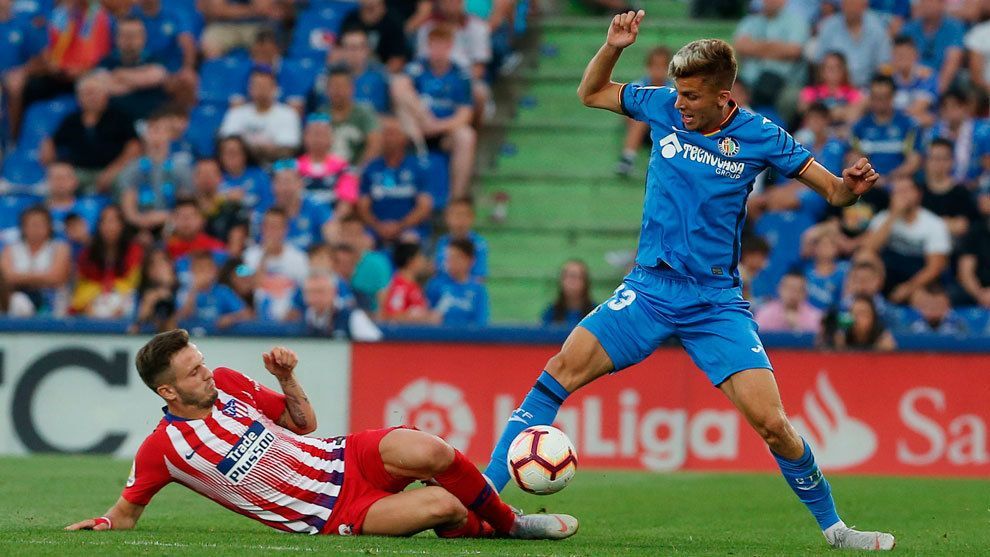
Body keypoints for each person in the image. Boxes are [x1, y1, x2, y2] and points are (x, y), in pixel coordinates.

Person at [484, 12, 895, 551]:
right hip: (649, 290)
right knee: (558, 371)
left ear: (724, 96)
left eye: (692, 97)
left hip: (714, 303)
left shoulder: (761, 134)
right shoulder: (660, 103)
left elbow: (835, 195)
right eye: (678, 93)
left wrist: (852, 185)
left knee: (773, 424)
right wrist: (612, 46)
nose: (680, 104)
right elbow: (590, 93)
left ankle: (837, 531)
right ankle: (482, 500)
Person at [65, 329, 578, 539]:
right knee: (443, 506)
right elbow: (125, 513)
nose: (206, 372)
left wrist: (286, 379)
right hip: (333, 513)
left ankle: (511, 524)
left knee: (432, 449)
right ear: (168, 393)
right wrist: (98, 528)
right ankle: (481, 528)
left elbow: (302, 424)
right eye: (193, 372)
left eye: (200, 362)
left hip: (341, 456)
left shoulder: (227, 382)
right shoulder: (164, 450)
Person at [392, 26, 476, 200]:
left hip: (443, 132)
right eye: (433, 45)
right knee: (399, 90)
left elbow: (465, 114)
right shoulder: (416, 68)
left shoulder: (460, 75)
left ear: (449, 47)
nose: (436, 50)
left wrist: (437, 126)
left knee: (466, 136)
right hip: (416, 128)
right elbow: (399, 89)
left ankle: (456, 198)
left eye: (441, 45)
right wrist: (424, 117)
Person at [41, 71, 141, 195]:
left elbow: (134, 148)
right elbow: (52, 145)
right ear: (79, 97)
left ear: (105, 95)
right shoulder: (71, 120)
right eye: (86, 93)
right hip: (79, 172)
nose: (91, 97)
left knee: (124, 181)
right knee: (60, 180)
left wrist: (112, 171)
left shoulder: (120, 118)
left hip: (112, 170)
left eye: (95, 93)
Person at [862, 175, 950, 303]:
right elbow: (868, 248)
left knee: (920, 296)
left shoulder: (934, 224)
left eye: (906, 190)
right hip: (886, 273)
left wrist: (908, 288)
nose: (902, 196)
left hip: (917, 276)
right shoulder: (884, 218)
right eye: (897, 192)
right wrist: (893, 215)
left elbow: (934, 267)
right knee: (865, 257)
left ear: (918, 194)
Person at [358, 117, 434, 245]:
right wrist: (378, 226)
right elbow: (362, 206)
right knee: (363, 242)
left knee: (409, 241)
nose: (388, 139)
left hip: (409, 228)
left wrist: (400, 226)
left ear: (404, 138)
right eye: (385, 134)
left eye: (392, 134)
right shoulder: (371, 168)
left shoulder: (418, 168)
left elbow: (424, 206)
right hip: (375, 228)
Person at [731, 0, 809, 122]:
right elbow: (740, 46)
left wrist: (756, 48)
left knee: (791, 98)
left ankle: (783, 134)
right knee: (731, 92)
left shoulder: (796, 22)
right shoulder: (750, 21)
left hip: (785, 83)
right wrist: (775, 48)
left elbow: (794, 51)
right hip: (751, 81)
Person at [71, 204, 144, 317]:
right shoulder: (87, 253)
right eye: (105, 221)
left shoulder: (134, 251)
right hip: (94, 304)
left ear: (122, 225)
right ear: (99, 225)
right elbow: (82, 287)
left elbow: (133, 284)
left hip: (124, 303)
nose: (109, 226)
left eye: (114, 221)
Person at [219, 67, 302, 164]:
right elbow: (226, 145)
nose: (261, 90)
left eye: (265, 86)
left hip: (275, 167)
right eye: (257, 85)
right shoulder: (236, 114)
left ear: (275, 88)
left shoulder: (288, 114)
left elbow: (287, 150)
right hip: (241, 169)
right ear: (250, 88)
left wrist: (246, 148)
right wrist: (264, 149)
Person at [0, 205, 71, 316]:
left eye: (40, 224)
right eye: (32, 224)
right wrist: (43, 278)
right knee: (18, 301)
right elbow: (6, 278)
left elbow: (57, 277)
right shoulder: (10, 249)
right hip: (18, 303)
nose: (36, 229)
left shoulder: (60, 248)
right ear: (23, 227)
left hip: (53, 304)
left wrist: (20, 278)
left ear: (49, 227)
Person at [849, 74, 921, 180]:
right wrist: (874, 178)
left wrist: (893, 177)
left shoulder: (908, 125)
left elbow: (914, 161)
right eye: (876, 97)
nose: (880, 102)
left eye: (884, 97)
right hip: (869, 183)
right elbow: (854, 158)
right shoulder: (859, 127)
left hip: (900, 182)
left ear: (893, 96)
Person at [615, 46, 672, 177]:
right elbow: (626, 110)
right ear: (648, 67)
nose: (658, 70)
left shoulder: (673, 89)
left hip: (665, 130)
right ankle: (627, 158)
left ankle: (660, 158)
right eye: (655, 66)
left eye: (663, 66)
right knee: (641, 116)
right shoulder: (638, 86)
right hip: (643, 129)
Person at [98, 16, 169, 121]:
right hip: (114, 123)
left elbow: (154, 77)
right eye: (124, 35)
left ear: (144, 37)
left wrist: (118, 74)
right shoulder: (106, 62)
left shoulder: (156, 60)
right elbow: (100, 87)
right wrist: (139, 80)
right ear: (116, 37)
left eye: (134, 35)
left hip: (149, 121)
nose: (129, 40)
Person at [811, 0, 892, 89]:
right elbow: (818, 62)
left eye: (854, 3)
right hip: (834, 89)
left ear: (865, 5)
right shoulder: (829, 26)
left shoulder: (877, 27)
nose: (851, 8)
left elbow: (884, 64)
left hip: (868, 89)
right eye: (847, 3)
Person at [296, 114, 359, 216]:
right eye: (314, 134)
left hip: (333, 223)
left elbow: (346, 201)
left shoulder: (344, 168)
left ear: (331, 138)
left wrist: (333, 222)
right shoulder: (294, 167)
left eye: (322, 135)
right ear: (305, 137)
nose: (318, 139)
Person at [900, 0, 966, 94]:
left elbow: (952, 64)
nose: (927, 5)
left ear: (942, 4)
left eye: (931, 2)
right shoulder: (908, 28)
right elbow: (901, 61)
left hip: (941, 88)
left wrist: (933, 93)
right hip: (911, 85)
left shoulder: (954, 28)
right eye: (923, 2)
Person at [920, 138, 979, 242]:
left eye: (944, 158)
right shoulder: (917, 191)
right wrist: (947, 223)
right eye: (934, 158)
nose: (938, 163)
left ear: (952, 161)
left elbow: (962, 227)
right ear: (925, 161)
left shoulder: (962, 193)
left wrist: (925, 224)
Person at [175, 250, 252, 328]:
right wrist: (194, 290)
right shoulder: (184, 292)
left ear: (215, 271)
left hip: (215, 337)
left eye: (208, 268)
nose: (205, 273)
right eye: (200, 269)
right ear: (192, 272)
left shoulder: (222, 291)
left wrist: (231, 318)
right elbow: (181, 319)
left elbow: (247, 314)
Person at [425, 238, 488, 327]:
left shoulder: (478, 290)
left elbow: (481, 322)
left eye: (456, 257)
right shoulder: (435, 285)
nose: (450, 262)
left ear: (470, 260)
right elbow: (426, 317)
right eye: (448, 258)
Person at [797, 52, 865, 126]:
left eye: (836, 67)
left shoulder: (854, 93)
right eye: (828, 67)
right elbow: (804, 109)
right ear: (821, 71)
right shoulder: (809, 91)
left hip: (840, 132)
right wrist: (838, 112)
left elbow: (853, 115)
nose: (832, 70)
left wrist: (820, 112)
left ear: (844, 70)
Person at [434, 197, 488, 281]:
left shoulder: (479, 244)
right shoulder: (442, 242)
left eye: (464, 215)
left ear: (472, 218)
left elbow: (480, 276)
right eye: (456, 215)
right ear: (447, 218)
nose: (460, 219)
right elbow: (439, 270)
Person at [378, 241, 433, 323]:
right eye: (420, 257)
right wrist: (425, 318)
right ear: (411, 261)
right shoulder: (400, 288)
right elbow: (392, 316)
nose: (424, 261)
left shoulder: (412, 286)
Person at [755, 271, 824, 333]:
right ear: (779, 289)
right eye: (789, 288)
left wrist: (797, 326)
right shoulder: (765, 313)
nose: (793, 293)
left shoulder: (816, 317)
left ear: (805, 293)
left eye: (798, 289)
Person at [130, 247, 178, 333]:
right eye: (153, 264)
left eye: (163, 262)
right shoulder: (139, 294)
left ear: (171, 265)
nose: (158, 268)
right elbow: (131, 330)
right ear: (147, 270)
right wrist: (146, 308)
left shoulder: (184, 290)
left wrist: (167, 289)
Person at [829, 294, 897, 350]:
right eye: (853, 313)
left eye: (862, 313)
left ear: (872, 317)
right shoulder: (842, 335)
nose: (856, 318)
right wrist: (840, 346)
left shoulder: (882, 337)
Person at [542, 259, 596, 329]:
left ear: (585, 282)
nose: (571, 282)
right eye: (568, 276)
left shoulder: (596, 313)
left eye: (576, 277)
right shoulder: (550, 313)